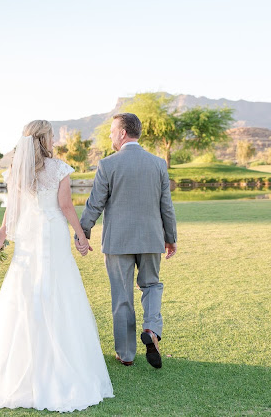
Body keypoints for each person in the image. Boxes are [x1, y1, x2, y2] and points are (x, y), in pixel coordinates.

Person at [0, 120, 113, 412]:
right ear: (44, 139)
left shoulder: (17, 171)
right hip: (52, 235)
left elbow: (12, 209)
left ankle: (19, 365)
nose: (54, 140)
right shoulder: (59, 169)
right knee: (58, 288)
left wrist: (0, 237)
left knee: (25, 288)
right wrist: (81, 236)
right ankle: (60, 364)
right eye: (52, 136)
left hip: (28, 238)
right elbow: (66, 207)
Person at [77, 113, 177, 368]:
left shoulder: (107, 165)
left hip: (117, 242)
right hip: (151, 238)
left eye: (112, 131)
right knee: (151, 286)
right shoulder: (158, 164)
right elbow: (166, 205)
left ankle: (126, 354)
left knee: (122, 296)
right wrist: (170, 237)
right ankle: (152, 329)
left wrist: (83, 231)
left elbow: (95, 204)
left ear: (122, 133)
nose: (110, 135)